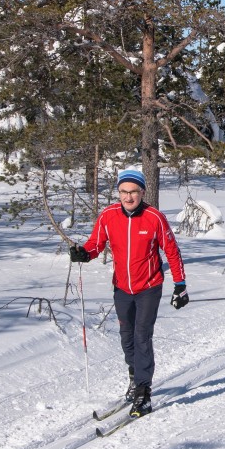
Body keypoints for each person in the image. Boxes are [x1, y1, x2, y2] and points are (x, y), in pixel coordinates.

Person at [69, 168, 187, 414]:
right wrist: (85, 253)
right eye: (124, 192)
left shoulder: (154, 217)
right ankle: (135, 376)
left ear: (142, 192)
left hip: (149, 286)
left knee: (142, 336)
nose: (129, 197)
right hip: (122, 287)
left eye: (133, 192)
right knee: (127, 338)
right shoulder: (108, 216)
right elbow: (96, 244)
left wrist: (180, 286)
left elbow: (172, 251)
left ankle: (144, 392)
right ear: (118, 192)